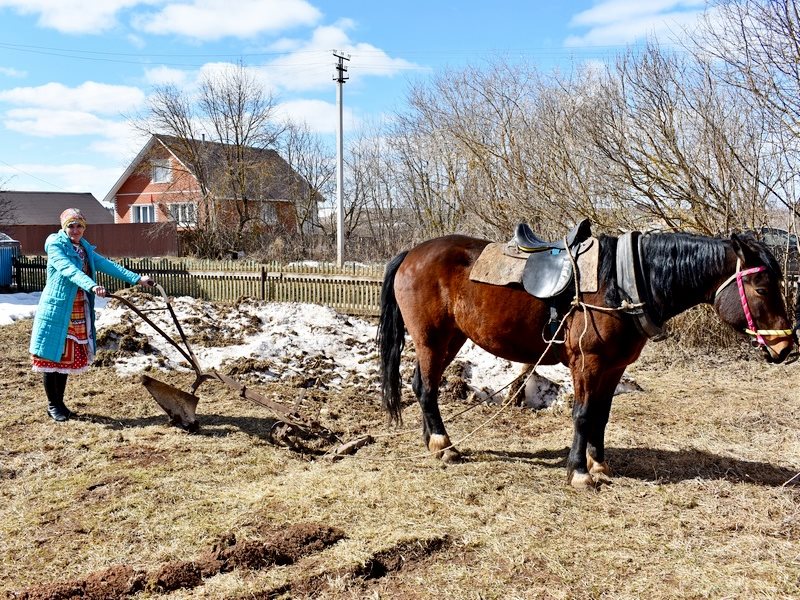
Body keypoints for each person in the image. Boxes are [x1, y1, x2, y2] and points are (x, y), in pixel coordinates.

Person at [29, 208, 155, 422]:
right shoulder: (55, 245)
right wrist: (92, 285)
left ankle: (60, 404)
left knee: (65, 358)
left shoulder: (84, 248)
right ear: (63, 227)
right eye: (71, 225)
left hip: (77, 307)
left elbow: (107, 264)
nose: (75, 230)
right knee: (52, 356)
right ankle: (53, 405)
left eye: (79, 226)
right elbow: (69, 270)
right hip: (58, 308)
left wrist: (137, 279)